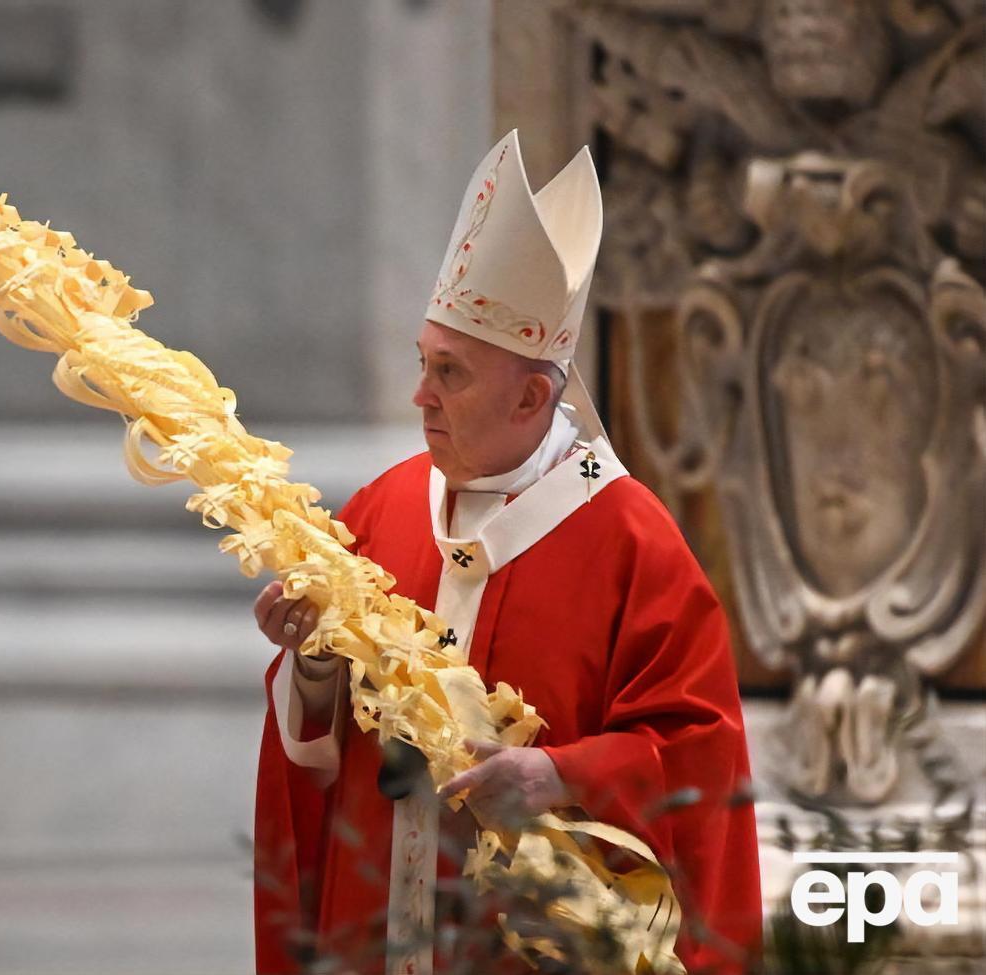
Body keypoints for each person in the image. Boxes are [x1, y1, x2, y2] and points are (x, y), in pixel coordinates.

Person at [253, 131, 761, 975]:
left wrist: (560, 776)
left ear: (532, 395)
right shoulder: (382, 510)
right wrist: (310, 662)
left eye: (450, 373)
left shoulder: (632, 543)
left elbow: (700, 758)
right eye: (423, 364)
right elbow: (319, 751)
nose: (421, 396)